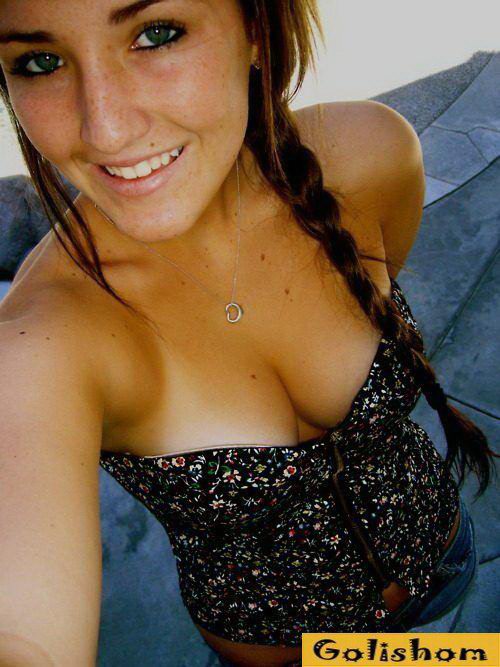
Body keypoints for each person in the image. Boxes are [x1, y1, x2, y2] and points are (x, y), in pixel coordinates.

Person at [0, 1, 496, 666]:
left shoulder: (364, 157)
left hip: (442, 560)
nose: (107, 129)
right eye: (40, 62)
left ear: (256, 29)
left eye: (157, 34)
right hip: (280, 652)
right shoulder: (40, 345)